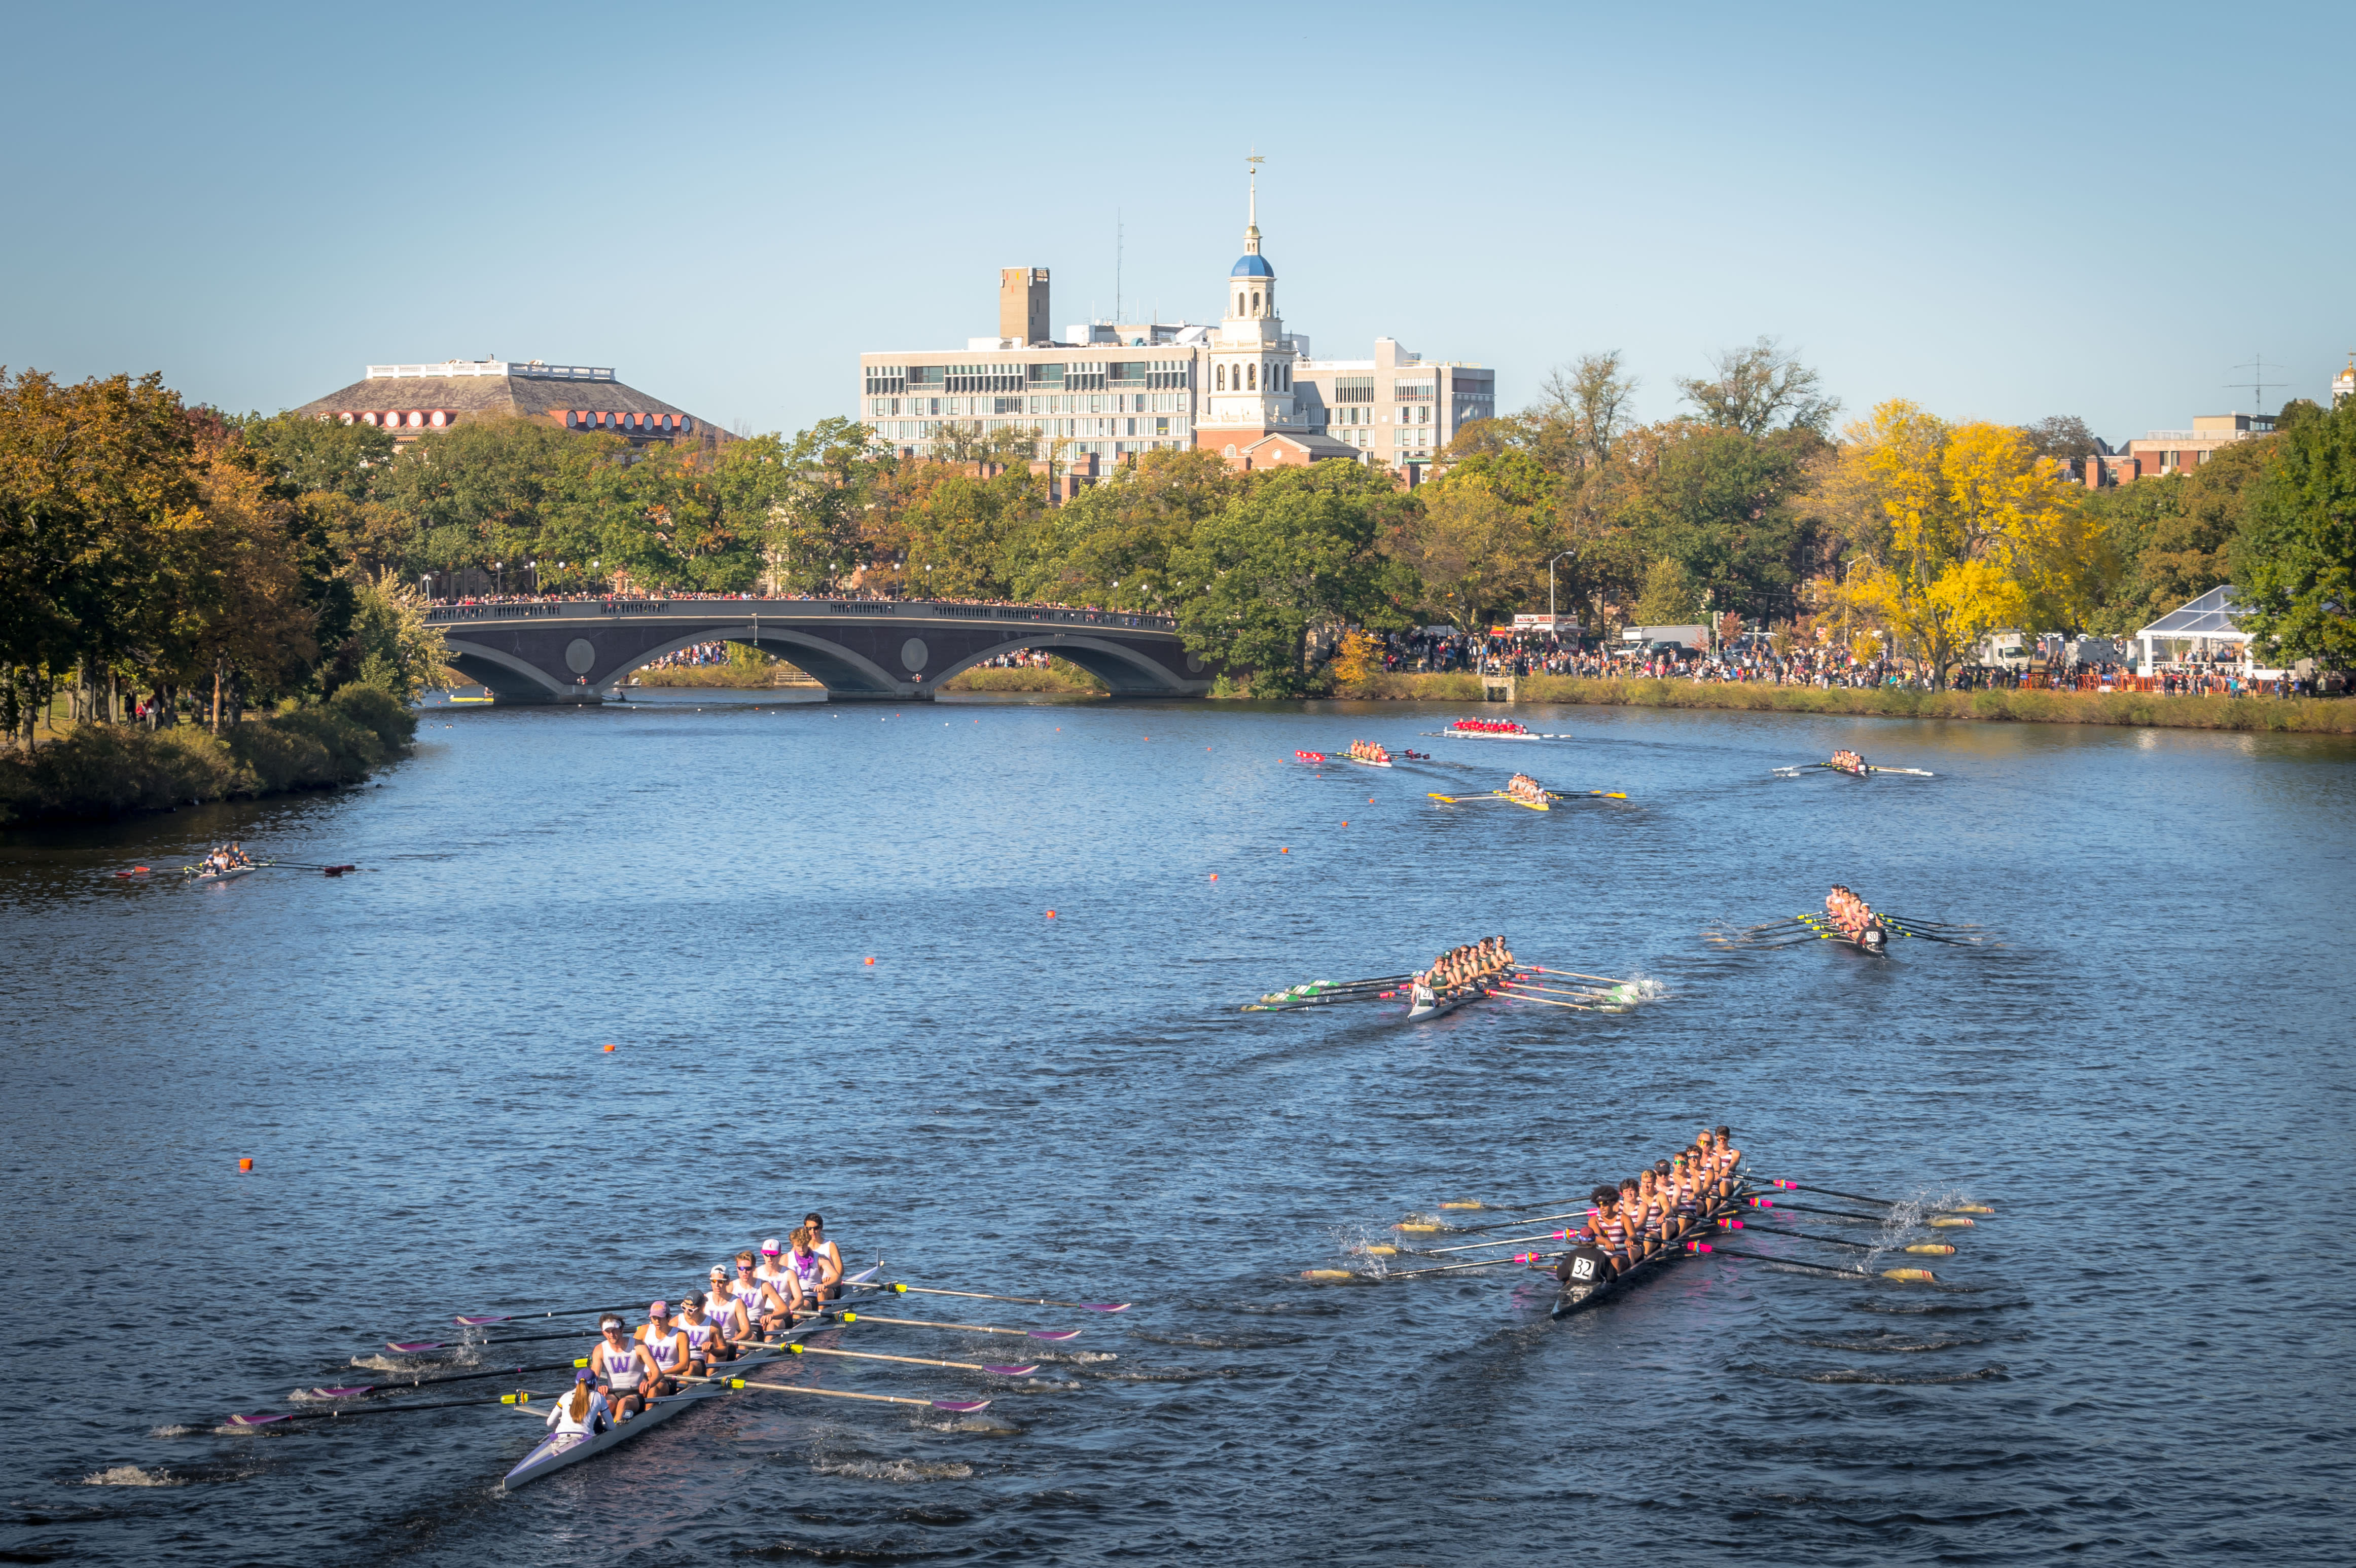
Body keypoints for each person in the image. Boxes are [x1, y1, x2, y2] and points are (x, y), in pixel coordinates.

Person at [590, 1314, 662, 1419]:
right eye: (608, 1331)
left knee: (623, 1403)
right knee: (604, 1406)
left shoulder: (638, 1346)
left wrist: (649, 1384)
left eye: (614, 1330)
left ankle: (614, 1431)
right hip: (612, 1393)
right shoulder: (599, 1350)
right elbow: (594, 1379)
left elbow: (657, 1373)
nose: (611, 1334)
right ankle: (598, 1430)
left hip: (636, 1393)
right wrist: (599, 1387)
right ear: (603, 1333)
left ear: (621, 1329)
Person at [635, 1301, 690, 1400]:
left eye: (660, 1318)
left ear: (669, 1317)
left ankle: (647, 1413)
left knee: (653, 1389)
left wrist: (659, 1374)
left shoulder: (681, 1336)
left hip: (667, 1378)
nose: (657, 1321)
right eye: (654, 1318)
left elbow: (685, 1365)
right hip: (645, 1375)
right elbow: (632, 1356)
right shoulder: (643, 1331)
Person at [781, 1226, 840, 1316]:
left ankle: (798, 1324)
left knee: (799, 1307)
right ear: (793, 1244)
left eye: (804, 1245)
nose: (801, 1249)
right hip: (792, 1297)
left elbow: (837, 1278)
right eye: (798, 1246)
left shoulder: (820, 1259)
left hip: (810, 1297)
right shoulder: (786, 1259)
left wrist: (825, 1285)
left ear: (808, 1242)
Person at [545, 1369, 611, 1440]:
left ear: (577, 1383)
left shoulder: (565, 1396)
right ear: (595, 1383)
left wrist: (562, 1427)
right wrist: (602, 1427)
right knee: (598, 1420)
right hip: (585, 1437)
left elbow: (550, 1423)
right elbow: (611, 1427)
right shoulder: (599, 1397)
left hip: (560, 1434)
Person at [676, 1291, 732, 1374]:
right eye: (684, 1308)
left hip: (697, 1362)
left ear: (701, 1308)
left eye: (691, 1310)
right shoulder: (676, 1322)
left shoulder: (713, 1326)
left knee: (690, 1369)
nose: (686, 1312)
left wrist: (712, 1349)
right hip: (679, 1360)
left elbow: (724, 1350)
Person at [802, 1214, 845, 1301]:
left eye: (816, 1228)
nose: (812, 1232)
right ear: (805, 1228)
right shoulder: (802, 1247)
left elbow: (840, 1271)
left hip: (830, 1286)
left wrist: (829, 1280)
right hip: (810, 1285)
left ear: (821, 1228)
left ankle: (820, 1313)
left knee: (821, 1293)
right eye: (809, 1229)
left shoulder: (830, 1246)